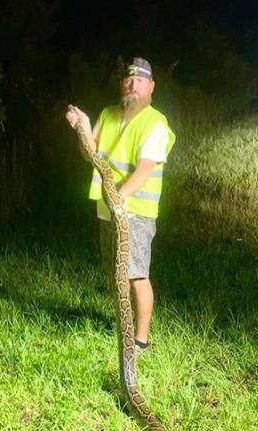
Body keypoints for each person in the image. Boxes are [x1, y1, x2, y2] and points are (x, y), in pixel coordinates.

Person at [66, 57, 175, 354]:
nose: (133, 85)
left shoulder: (155, 123)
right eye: (128, 80)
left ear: (151, 87)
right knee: (116, 273)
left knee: (136, 273)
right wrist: (83, 127)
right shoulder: (109, 114)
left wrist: (121, 197)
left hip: (135, 213)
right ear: (121, 85)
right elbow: (90, 154)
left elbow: (145, 168)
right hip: (108, 211)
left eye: (140, 81)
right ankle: (121, 327)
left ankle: (140, 340)